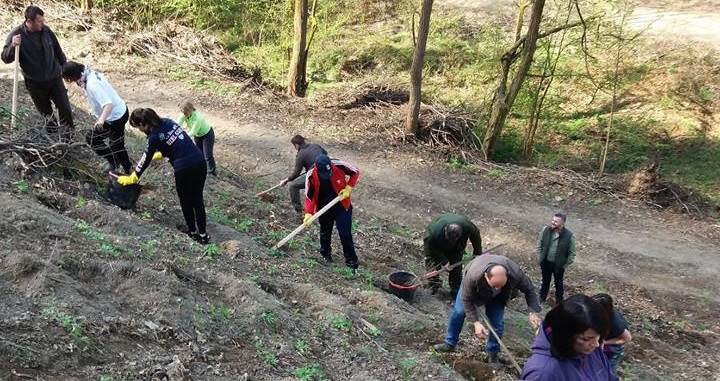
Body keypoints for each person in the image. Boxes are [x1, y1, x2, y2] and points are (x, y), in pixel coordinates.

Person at [117, 108, 210, 244]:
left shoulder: (153, 137)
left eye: (138, 127)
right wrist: (163, 154)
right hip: (200, 162)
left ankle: (193, 232)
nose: (139, 130)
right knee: (197, 199)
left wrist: (133, 177)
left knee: (186, 201)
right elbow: (177, 142)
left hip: (184, 169)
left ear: (142, 124)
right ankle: (203, 235)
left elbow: (145, 159)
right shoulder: (168, 122)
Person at [433, 254, 542, 367]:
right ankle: (449, 343)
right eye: (495, 286)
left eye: (500, 286)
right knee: (459, 312)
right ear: (486, 276)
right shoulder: (473, 275)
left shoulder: (516, 273)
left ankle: (492, 353)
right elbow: (466, 299)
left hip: (499, 298)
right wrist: (476, 322)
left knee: (497, 323)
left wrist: (532, 312)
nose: (497, 288)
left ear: (507, 276)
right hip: (474, 290)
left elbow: (529, 289)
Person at [2, 6, 74, 130]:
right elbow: (5, 58)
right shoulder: (17, 34)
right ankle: (54, 143)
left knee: (65, 109)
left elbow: (58, 51)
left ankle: (68, 139)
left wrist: (65, 69)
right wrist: (13, 46)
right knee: (47, 115)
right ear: (29, 21)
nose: (43, 24)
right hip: (35, 83)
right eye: (39, 21)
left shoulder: (46, 31)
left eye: (43, 21)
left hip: (54, 78)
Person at [521, 294, 618, 381]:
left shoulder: (591, 349)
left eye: (598, 336)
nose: (596, 344)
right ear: (566, 335)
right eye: (586, 339)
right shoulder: (542, 373)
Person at [61, 61, 132, 174]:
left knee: (115, 145)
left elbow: (108, 104)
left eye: (69, 79)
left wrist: (101, 120)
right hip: (115, 114)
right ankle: (115, 161)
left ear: (73, 76)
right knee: (95, 139)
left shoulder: (92, 85)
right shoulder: (90, 73)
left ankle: (127, 169)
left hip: (115, 117)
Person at [303, 154, 359, 273]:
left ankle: (352, 263)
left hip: (341, 205)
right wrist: (308, 213)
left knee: (345, 234)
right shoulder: (311, 175)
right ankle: (325, 254)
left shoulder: (339, 165)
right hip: (324, 207)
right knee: (325, 231)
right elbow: (309, 197)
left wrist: (349, 187)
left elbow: (355, 172)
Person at [424, 214, 482, 300]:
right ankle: (434, 286)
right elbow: (432, 248)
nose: (451, 242)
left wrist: (477, 252)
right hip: (434, 244)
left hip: (457, 245)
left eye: (453, 240)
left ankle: (456, 292)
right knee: (432, 262)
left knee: (456, 264)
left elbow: (476, 234)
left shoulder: (467, 226)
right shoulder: (433, 234)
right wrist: (444, 261)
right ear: (445, 230)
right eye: (449, 240)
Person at [279, 134, 327, 213]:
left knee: (293, 186)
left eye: (294, 145)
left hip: (316, 175)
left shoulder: (300, 155)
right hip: (327, 170)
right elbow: (325, 154)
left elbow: (296, 173)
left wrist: (286, 180)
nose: (294, 148)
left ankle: (298, 210)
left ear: (297, 145)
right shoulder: (315, 145)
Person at [537, 213, 576, 304]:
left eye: (556, 221)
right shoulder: (545, 230)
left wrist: (564, 265)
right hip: (546, 262)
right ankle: (542, 298)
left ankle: (559, 301)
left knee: (559, 284)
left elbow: (572, 253)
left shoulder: (569, 236)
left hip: (558, 265)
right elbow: (540, 244)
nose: (553, 222)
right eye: (553, 220)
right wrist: (540, 257)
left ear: (562, 224)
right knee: (545, 281)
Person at [592, 293, 632, 372]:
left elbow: (627, 338)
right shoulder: (599, 314)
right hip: (604, 338)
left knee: (608, 369)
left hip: (614, 345)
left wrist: (605, 342)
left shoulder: (616, 323)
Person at [177, 101, 216, 176]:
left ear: (190, 110)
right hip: (198, 136)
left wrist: (182, 139)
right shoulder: (184, 115)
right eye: (182, 112)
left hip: (207, 135)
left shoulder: (198, 118)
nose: (183, 114)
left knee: (207, 154)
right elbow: (177, 123)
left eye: (185, 112)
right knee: (199, 153)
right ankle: (202, 169)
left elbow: (193, 132)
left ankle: (211, 171)